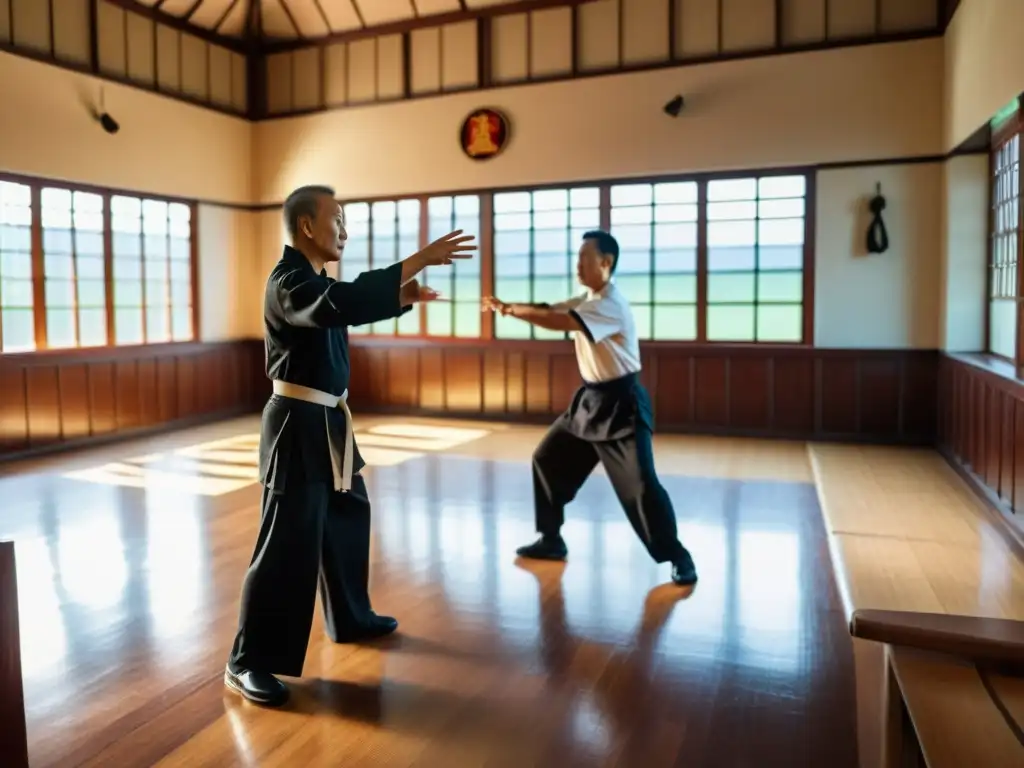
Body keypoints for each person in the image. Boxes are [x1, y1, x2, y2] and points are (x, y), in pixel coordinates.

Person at [225, 185, 476, 707]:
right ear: (307, 227)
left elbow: (339, 310)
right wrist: (416, 262)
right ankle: (247, 661)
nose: (344, 229)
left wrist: (398, 298)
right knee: (286, 542)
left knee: (346, 516)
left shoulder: (317, 281)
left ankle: (351, 617)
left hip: (329, 424)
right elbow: (332, 306)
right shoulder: (287, 281)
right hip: (296, 426)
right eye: (336, 219)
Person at [482, 230, 697, 588]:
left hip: (622, 405)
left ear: (606, 263)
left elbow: (559, 322)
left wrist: (510, 311)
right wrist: (508, 306)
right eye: (577, 258)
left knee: (642, 487)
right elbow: (552, 309)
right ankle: (551, 539)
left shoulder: (609, 304)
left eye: (585, 259)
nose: (578, 265)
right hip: (590, 401)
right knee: (547, 458)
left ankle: (678, 556)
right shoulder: (588, 298)